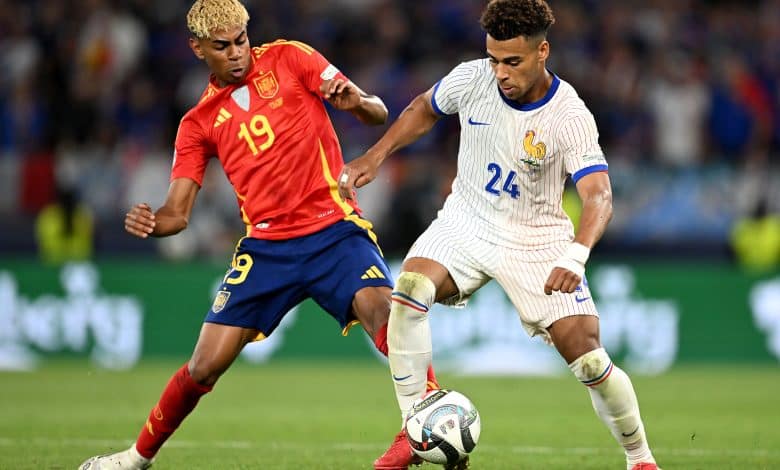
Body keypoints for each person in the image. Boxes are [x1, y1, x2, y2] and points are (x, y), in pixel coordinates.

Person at [79, 1, 440, 468]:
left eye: (241, 41)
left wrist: (357, 102)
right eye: (222, 46)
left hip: (334, 229)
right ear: (197, 49)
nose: (236, 53)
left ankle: (423, 427)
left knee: (385, 313)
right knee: (204, 365)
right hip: (267, 249)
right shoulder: (198, 122)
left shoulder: (292, 58)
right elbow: (178, 213)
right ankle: (135, 458)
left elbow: (377, 111)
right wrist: (154, 223)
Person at [341, 1, 661, 469]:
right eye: (494, 58)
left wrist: (576, 255)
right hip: (467, 220)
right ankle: (415, 427)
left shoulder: (568, 115)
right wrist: (376, 155)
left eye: (512, 61)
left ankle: (641, 459)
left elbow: (599, 196)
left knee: (589, 358)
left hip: (537, 239)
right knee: (407, 292)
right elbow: (423, 109)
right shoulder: (473, 79)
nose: (501, 72)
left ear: (542, 51)